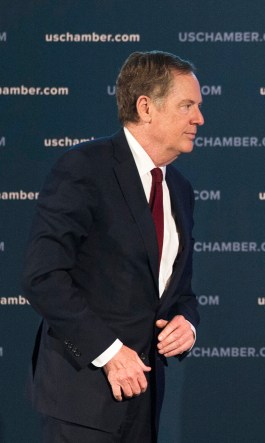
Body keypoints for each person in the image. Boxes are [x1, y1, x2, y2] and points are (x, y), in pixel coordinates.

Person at [21, 50, 204, 442]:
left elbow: (179, 290)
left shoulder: (181, 190)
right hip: (81, 400)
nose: (198, 119)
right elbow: (43, 276)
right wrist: (108, 352)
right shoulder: (84, 168)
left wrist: (186, 322)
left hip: (146, 400)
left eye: (198, 107)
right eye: (187, 105)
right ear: (146, 107)